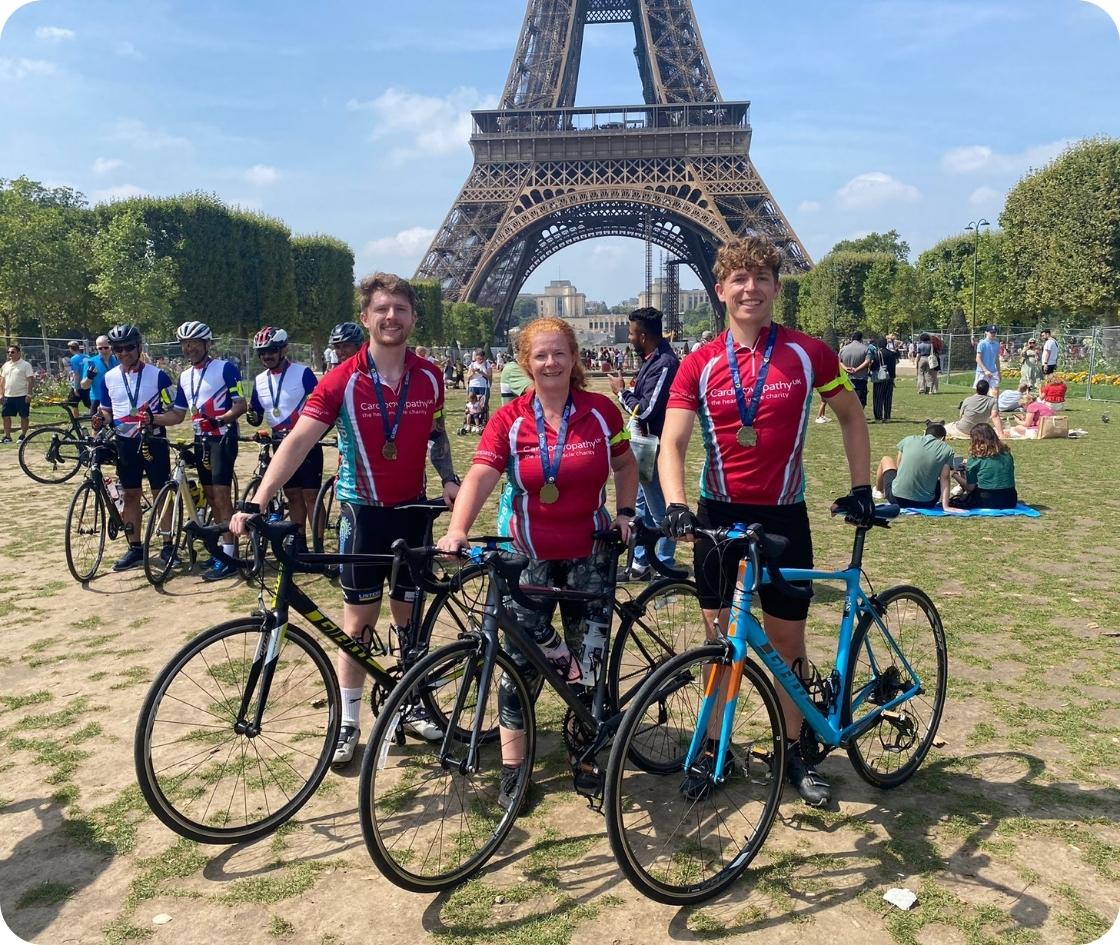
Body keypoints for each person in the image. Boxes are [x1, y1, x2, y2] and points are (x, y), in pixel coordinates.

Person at [659, 235, 873, 808]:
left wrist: (860, 488)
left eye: (761, 277)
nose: (749, 287)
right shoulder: (699, 363)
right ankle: (712, 744)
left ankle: (795, 746)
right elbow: (673, 442)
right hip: (717, 515)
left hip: (783, 515)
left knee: (785, 640)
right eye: (739, 278)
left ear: (776, 287)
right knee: (717, 641)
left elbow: (852, 417)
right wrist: (677, 503)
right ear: (720, 289)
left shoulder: (809, 353)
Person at [230, 272, 460, 765]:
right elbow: (299, 440)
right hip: (362, 510)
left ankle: (412, 700)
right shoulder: (342, 379)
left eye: (400, 309)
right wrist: (259, 498)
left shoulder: (431, 376)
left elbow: (437, 433)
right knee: (357, 622)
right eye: (382, 309)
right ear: (366, 318)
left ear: (413, 319)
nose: (391, 317)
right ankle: (348, 719)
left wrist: (448, 476)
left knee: (409, 620)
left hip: (414, 511)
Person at [436, 315, 638, 809]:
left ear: (575, 358)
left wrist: (626, 512)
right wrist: (458, 528)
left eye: (559, 353)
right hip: (527, 556)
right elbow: (482, 473)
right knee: (519, 665)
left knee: (586, 660)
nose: (550, 362)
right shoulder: (510, 420)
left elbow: (626, 463)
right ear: (526, 363)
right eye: (540, 355)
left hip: (589, 552)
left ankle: (584, 748)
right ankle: (514, 768)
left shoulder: (601, 413)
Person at [150, 321, 246, 581]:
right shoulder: (184, 376)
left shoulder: (225, 369)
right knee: (210, 497)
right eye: (184, 343)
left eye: (193, 343)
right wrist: (152, 419)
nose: (188, 348)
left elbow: (240, 404)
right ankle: (220, 550)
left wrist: (222, 419)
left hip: (222, 438)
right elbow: (178, 414)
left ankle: (229, 556)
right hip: (200, 439)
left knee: (221, 496)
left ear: (207, 344)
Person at [91, 325, 174, 571]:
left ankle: (169, 544)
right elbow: (107, 410)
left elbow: (174, 413)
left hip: (153, 441)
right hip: (125, 443)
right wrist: (100, 418)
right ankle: (135, 547)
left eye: (128, 347)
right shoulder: (109, 378)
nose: (124, 353)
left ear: (139, 347)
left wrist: (154, 419)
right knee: (130, 495)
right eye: (118, 349)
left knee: (161, 494)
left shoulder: (158, 376)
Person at [608, 306, 679, 579]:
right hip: (644, 445)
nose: (629, 338)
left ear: (644, 335)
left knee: (658, 508)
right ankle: (641, 563)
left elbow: (646, 411)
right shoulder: (653, 359)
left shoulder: (664, 364)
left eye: (632, 333)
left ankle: (663, 562)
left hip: (656, 447)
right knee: (641, 508)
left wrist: (622, 392)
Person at [245, 326, 320, 549]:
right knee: (293, 495)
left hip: (305, 442)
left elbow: (320, 407)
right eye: (262, 352)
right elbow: (256, 414)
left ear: (284, 349)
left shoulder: (303, 373)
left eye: (271, 350)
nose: (266, 356)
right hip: (280, 443)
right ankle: (299, 543)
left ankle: (319, 546)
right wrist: (253, 416)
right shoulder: (259, 380)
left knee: (311, 497)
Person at [874, 422, 958, 513]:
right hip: (926, 503)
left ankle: (879, 491)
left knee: (886, 459)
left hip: (897, 499)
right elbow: (945, 478)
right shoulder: (947, 450)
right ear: (943, 438)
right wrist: (946, 506)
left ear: (924, 433)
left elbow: (899, 466)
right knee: (936, 482)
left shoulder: (908, 440)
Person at [949, 423, 1017, 509]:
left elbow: (970, 488)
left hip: (987, 500)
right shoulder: (1007, 454)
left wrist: (954, 474)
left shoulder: (975, 458)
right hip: (1010, 500)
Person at [0, 343, 35, 443]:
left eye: (12, 352)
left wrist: (29, 394)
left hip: (22, 396)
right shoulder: (6, 365)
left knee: (24, 416)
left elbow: (30, 380)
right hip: (8, 396)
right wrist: (1, 394)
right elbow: (2, 381)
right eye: (8, 352)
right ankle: (7, 437)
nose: (10, 354)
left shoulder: (25, 365)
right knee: (5, 416)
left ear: (19, 353)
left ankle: (23, 436)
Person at [81, 336, 119, 414]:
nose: (103, 350)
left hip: (115, 398)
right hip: (97, 399)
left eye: (106, 347)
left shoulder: (117, 361)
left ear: (111, 346)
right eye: (100, 348)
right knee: (97, 424)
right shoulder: (91, 362)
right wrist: (89, 377)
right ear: (96, 348)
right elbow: (84, 386)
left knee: (117, 425)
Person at [839, 330, 871, 408]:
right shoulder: (865, 349)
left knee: (848, 399)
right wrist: (857, 369)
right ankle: (859, 417)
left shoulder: (844, 349)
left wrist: (846, 368)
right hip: (861, 378)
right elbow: (867, 361)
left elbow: (839, 361)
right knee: (861, 400)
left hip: (847, 378)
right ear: (861, 339)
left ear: (851, 338)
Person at [869, 336, 897, 422]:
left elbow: (873, 367)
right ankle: (887, 416)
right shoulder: (892, 354)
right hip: (890, 377)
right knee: (888, 398)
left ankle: (878, 417)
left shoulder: (877, 354)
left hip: (880, 377)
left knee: (878, 398)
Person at [975, 325, 1001, 396]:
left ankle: (994, 406)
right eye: (991, 332)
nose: (993, 334)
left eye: (994, 332)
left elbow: (996, 359)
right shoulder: (982, 344)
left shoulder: (997, 344)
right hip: (982, 372)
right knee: (980, 394)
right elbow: (978, 358)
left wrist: (999, 372)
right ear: (986, 332)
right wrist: (985, 370)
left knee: (995, 393)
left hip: (993, 372)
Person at [66, 341, 89, 409]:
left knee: (73, 404)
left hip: (79, 385)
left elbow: (77, 374)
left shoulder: (73, 359)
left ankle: (75, 419)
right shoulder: (87, 357)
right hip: (88, 384)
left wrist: (76, 388)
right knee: (89, 404)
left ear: (71, 349)